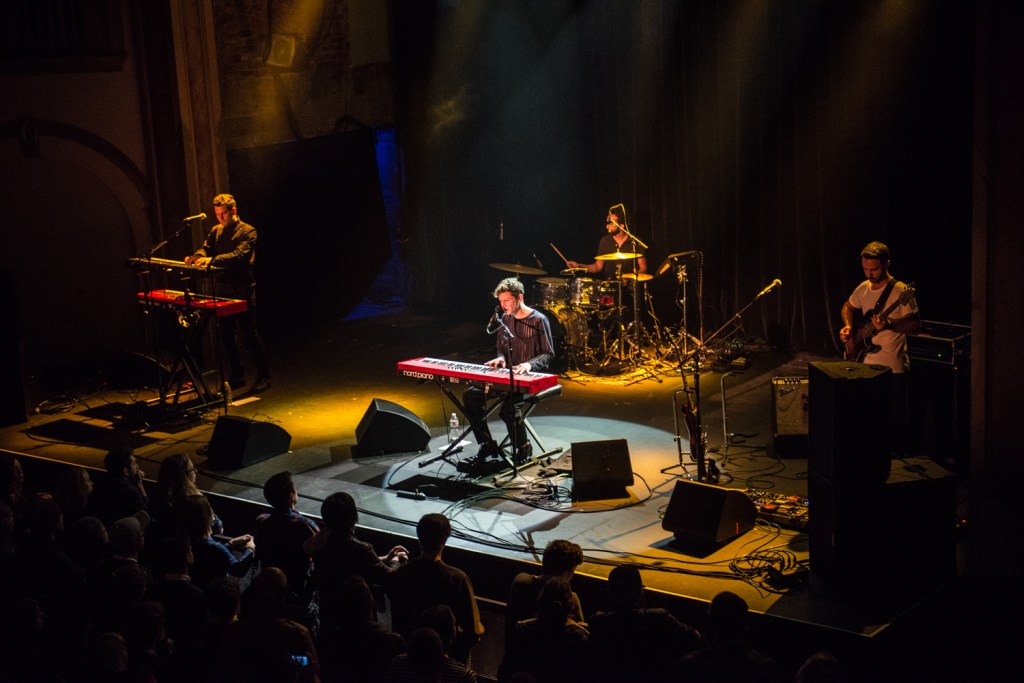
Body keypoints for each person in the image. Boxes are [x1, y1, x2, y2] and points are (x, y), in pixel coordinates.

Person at [461, 277, 556, 470]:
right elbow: (501, 350)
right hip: (507, 377)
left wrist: (529, 365)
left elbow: (548, 353)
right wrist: (501, 359)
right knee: (470, 395)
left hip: (530, 378)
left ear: (519, 297)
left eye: (506, 301)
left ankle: (523, 448)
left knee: (509, 410)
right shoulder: (505, 318)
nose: (503, 305)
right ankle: (486, 444)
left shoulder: (539, 320)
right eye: (501, 301)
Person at [838, 241, 921, 455]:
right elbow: (847, 306)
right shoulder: (863, 288)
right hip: (865, 364)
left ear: (887, 264)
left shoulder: (902, 290)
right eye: (865, 269)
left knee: (893, 422)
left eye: (874, 269)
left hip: (892, 367)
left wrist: (890, 324)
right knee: (867, 419)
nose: (869, 274)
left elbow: (915, 325)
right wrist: (848, 326)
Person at [184, 192, 271, 394]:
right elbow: (207, 248)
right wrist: (198, 256)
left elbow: (239, 256)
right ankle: (237, 375)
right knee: (226, 334)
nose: (220, 218)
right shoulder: (216, 231)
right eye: (217, 214)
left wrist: (212, 261)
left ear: (233, 211)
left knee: (250, 333)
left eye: (223, 214)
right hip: (223, 290)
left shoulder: (248, 231)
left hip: (242, 289)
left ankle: (264, 375)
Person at [387, 513, 484, 665]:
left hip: (408, 652)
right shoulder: (457, 578)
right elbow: (474, 631)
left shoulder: (402, 573)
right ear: (445, 539)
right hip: (448, 656)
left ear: (419, 538)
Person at [504, 539, 584, 640]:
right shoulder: (570, 598)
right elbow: (580, 632)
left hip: (516, 650)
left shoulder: (521, 580)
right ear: (567, 572)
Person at [565, 203, 648, 280]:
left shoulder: (635, 242)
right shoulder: (605, 241)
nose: (607, 226)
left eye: (611, 223)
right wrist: (578, 266)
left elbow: (643, 268)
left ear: (621, 225)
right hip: (610, 288)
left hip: (630, 289)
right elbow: (598, 267)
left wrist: (630, 279)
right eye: (607, 223)